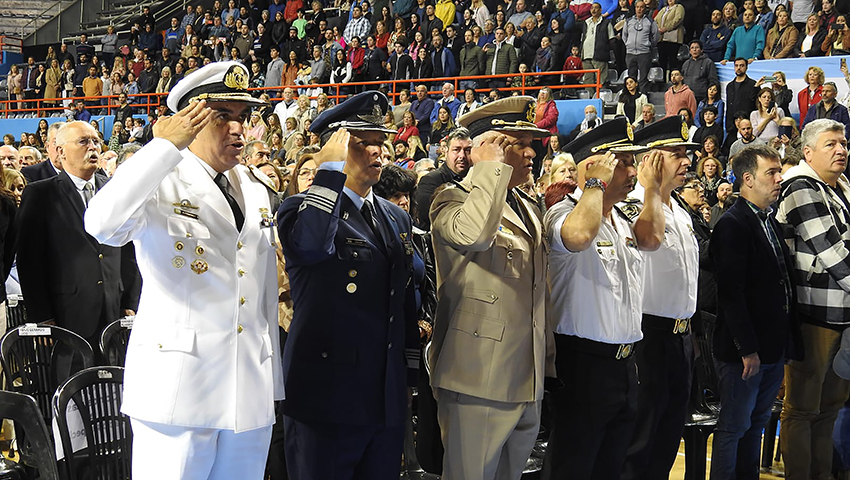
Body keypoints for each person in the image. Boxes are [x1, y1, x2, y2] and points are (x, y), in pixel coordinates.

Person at [84, 61, 283, 479]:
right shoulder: (160, 175)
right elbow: (101, 225)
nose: (238, 130)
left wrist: (271, 378)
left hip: (248, 387)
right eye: (222, 116)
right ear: (189, 120)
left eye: (243, 118)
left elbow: (261, 290)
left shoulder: (254, 187)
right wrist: (161, 148)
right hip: (179, 389)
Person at [276, 90, 418, 480]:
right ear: (336, 149)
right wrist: (329, 174)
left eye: (381, 142)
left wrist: (407, 374)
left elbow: (404, 295)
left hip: (383, 393)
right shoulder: (300, 207)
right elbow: (311, 245)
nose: (378, 152)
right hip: (326, 396)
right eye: (363, 143)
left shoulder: (394, 216)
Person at [429, 94, 555, 480]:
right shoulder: (451, 197)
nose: (532, 153)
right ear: (489, 149)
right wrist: (488, 171)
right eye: (519, 144)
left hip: (524, 376)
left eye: (532, 144)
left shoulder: (527, 205)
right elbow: (475, 235)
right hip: (477, 375)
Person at [542, 116, 670, 480]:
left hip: (625, 363)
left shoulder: (622, 220)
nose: (632, 170)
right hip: (583, 363)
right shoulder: (562, 212)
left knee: (610, 465)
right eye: (623, 162)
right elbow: (580, 235)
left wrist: (654, 190)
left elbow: (652, 239)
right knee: (574, 464)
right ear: (594, 166)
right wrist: (594, 183)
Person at [710, 145, 803, 480]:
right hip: (744, 353)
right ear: (747, 179)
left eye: (780, 171)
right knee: (734, 428)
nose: (780, 178)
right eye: (772, 173)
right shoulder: (733, 224)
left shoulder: (768, 221)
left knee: (755, 426)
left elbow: (783, 287)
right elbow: (731, 294)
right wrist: (746, 348)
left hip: (771, 347)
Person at [621, 116, 701, 480]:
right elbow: (645, 245)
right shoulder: (633, 207)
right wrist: (650, 189)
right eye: (677, 153)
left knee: (669, 434)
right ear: (651, 160)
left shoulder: (680, 210)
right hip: (649, 334)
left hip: (682, 336)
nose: (687, 161)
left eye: (687, 154)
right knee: (642, 439)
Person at [17, 120, 140, 349]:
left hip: (115, 311)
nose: (92, 147)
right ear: (61, 151)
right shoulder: (41, 194)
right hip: (66, 315)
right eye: (83, 141)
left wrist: (130, 300)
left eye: (96, 141)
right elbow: (29, 261)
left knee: (114, 383)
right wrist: (42, 317)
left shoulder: (116, 189)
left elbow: (130, 250)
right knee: (71, 381)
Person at [776, 119, 850, 480]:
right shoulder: (799, 187)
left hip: (843, 315)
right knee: (803, 409)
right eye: (831, 144)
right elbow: (833, 252)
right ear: (807, 152)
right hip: (813, 317)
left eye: (844, 143)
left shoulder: (841, 186)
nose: (841, 150)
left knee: (830, 407)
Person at [415, 129, 472, 229]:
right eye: (456, 150)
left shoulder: (477, 179)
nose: (462, 156)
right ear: (446, 151)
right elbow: (431, 218)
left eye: (467, 150)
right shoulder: (430, 181)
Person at [621, 1, 658, 93]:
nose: (639, 9)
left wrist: (648, 45)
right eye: (637, 7)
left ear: (645, 8)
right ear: (635, 8)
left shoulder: (650, 21)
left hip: (644, 53)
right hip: (630, 53)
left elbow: (656, 36)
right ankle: (632, 98)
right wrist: (628, 44)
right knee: (631, 78)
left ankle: (643, 98)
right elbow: (624, 36)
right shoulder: (628, 21)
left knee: (643, 78)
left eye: (641, 7)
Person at [579, 3, 614, 91]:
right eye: (592, 8)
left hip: (600, 55)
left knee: (601, 80)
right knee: (588, 80)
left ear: (600, 10)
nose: (593, 10)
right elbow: (583, 38)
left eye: (596, 8)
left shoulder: (606, 22)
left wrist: (604, 49)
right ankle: (589, 100)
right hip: (586, 55)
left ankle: (601, 99)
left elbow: (612, 39)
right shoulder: (586, 22)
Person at [724, 58, 758, 135]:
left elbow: (755, 105)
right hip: (731, 126)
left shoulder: (753, 84)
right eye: (736, 66)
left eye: (741, 65)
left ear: (746, 67)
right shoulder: (730, 86)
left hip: (747, 126)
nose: (738, 68)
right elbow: (729, 107)